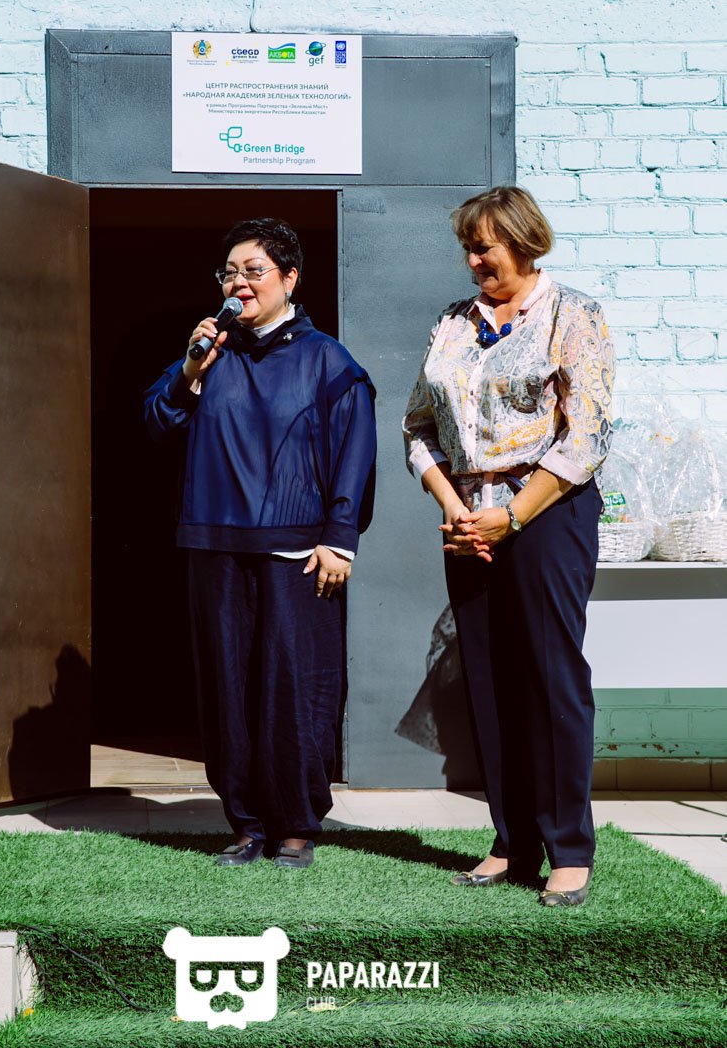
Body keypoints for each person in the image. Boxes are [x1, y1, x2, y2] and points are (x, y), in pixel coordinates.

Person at [403, 186, 614, 908]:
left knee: (550, 675)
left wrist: (512, 515)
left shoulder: (572, 313)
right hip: (468, 520)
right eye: (466, 248)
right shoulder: (451, 324)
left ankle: (569, 849)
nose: (472, 261)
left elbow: (587, 435)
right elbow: (417, 427)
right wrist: (457, 508)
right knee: (488, 679)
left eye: (483, 247)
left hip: (546, 512)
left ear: (523, 242)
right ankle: (511, 839)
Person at [145, 218, 376, 870]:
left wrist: (339, 539)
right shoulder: (210, 354)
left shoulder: (328, 361)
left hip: (297, 553)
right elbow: (158, 421)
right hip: (214, 544)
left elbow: (354, 455)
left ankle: (295, 825)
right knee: (228, 692)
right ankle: (245, 824)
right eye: (229, 273)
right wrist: (190, 369)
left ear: (290, 278)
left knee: (294, 690)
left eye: (253, 271)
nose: (238, 284)